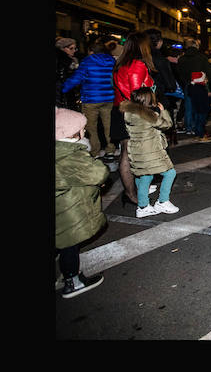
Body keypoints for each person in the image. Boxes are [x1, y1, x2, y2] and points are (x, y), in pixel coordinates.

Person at [55, 107, 107, 298]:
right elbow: (98, 173)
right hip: (69, 211)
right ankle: (72, 281)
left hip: (58, 208)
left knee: (59, 243)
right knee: (70, 244)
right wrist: (87, 155)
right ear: (72, 134)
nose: (85, 132)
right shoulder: (70, 156)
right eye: (82, 130)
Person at [120, 87, 180, 218]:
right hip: (150, 151)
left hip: (136, 150)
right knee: (170, 173)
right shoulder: (148, 116)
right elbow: (167, 125)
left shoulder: (128, 112)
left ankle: (143, 206)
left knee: (144, 176)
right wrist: (163, 112)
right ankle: (162, 202)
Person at [112, 32, 156, 206]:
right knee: (130, 153)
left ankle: (131, 191)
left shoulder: (120, 64)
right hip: (133, 111)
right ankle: (131, 194)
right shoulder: (137, 65)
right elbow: (137, 94)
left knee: (127, 151)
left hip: (120, 109)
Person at [62, 38, 117, 158]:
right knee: (109, 126)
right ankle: (110, 150)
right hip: (109, 98)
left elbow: (77, 78)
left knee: (91, 127)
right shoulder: (111, 60)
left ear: (91, 51)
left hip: (91, 99)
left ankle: (95, 151)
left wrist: (63, 89)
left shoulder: (87, 61)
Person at [173, 38, 211, 142]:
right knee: (201, 110)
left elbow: (179, 72)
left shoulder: (182, 59)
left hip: (188, 84)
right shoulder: (201, 57)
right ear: (195, 45)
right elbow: (208, 73)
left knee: (189, 107)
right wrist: (208, 87)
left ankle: (189, 127)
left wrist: (186, 81)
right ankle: (199, 131)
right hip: (200, 86)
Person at [145, 29, 179, 145]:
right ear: (159, 42)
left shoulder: (140, 56)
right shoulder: (160, 59)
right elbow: (169, 82)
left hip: (140, 97)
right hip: (158, 95)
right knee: (161, 123)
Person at [56, 37, 81, 109]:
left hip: (72, 93)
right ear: (62, 48)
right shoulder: (60, 61)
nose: (74, 51)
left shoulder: (74, 60)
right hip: (62, 94)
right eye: (71, 48)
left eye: (75, 48)